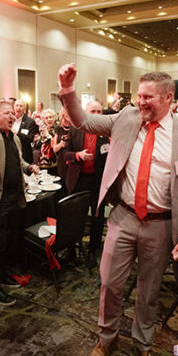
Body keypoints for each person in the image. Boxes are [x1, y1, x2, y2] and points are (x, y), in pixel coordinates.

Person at [58, 63, 178, 356]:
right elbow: (82, 120)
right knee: (110, 284)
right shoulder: (126, 118)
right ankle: (106, 338)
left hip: (161, 225)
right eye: (139, 96)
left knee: (149, 291)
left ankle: (143, 345)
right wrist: (68, 88)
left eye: (149, 98)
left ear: (169, 98)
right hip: (123, 217)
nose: (141, 103)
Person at [0, 101, 40, 306]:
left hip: (13, 197)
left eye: (13, 113)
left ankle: (2, 276)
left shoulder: (13, 137)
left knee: (7, 241)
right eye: (7, 113)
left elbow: (17, 161)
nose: (12, 116)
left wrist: (29, 168)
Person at [60, 101, 110, 261]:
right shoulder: (75, 129)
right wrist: (77, 155)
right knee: (74, 216)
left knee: (97, 216)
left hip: (98, 181)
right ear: (86, 113)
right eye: (92, 111)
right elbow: (64, 153)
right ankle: (71, 250)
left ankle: (93, 249)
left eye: (99, 111)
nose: (96, 114)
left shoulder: (108, 132)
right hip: (79, 180)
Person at [11, 99, 39, 164]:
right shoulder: (10, 119)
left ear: (24, 109)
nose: (18, 108)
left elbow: (30, 139)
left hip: (24, 154)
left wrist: (17, 133)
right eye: (16, 105)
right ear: (14, 107)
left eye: (21, 106)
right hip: (11, 153)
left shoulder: (30, 122)